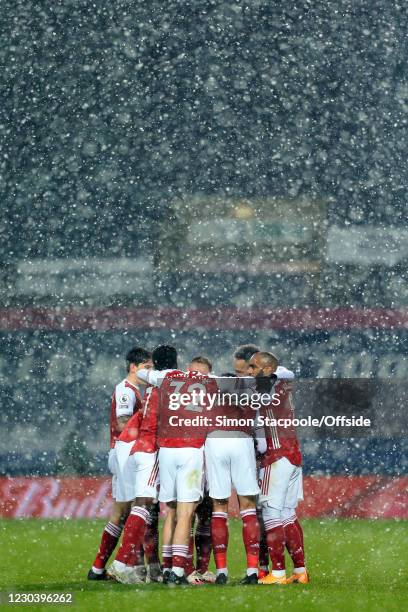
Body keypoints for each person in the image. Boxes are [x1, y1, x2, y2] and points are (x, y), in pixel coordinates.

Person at [137, 346, 212, 585]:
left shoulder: (166, 378)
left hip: (167, 450)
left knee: (169, 512)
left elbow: (142, 375)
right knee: (186, 514)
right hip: (190, 450)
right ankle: (179, 572)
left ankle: (168, 566)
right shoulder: (205, 381)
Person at [87, 347, 152, 580]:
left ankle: (99, 568)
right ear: (133, 367)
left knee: (126, 511)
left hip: (127, 450)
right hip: (124, 450)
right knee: (132, 509)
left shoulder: (136, 390)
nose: (150, 372)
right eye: (146, 367)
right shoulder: (125, 390)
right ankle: (125, 566)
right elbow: (122, 423)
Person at [248, 351, 308, 585]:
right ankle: (301, 571)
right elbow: (283, 370)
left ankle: (278, 573)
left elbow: (261, 441)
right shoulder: (285, 383)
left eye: (254, 367)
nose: (250, 371)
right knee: (288, 514)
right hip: (294, 456)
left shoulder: (263, 391)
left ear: (266, 369)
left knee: (272, 514)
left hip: (276, 456)